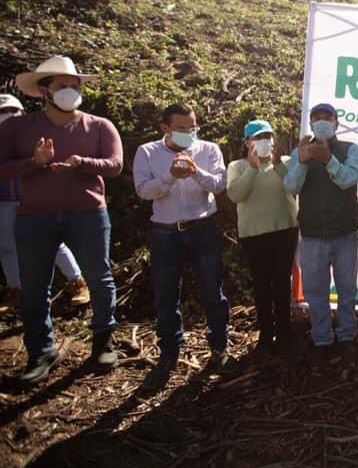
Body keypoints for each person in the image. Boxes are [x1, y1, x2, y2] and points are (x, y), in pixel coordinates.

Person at [0, 56, 122, 384]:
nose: (69, 91)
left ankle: (103, 341)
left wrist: (83, 163)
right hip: (33, 216)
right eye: (61, 86)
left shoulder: (99, 126)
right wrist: (33, 163)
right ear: (43, 90)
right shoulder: (16, 128)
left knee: (99, 277)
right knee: (34, 284)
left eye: (74, 86)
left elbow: (115, 164)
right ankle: (40, 350)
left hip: (89, 213)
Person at [133, 104, 230, 391]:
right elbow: (143, 190)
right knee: (165, 295)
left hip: (203, 229)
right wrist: (170, 176)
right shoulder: (147, 153)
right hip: (166, 232)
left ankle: (219, 348)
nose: (189, 133)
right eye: (182, 128)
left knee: (214, 291)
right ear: (165, 128)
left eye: (193, 127)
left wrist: (196, 171)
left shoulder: (208, 149)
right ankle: (169, 353)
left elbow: (219, 184)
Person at [284, 103, 358, 366]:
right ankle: (322, 340)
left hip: (344, 234)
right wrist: (304, 162)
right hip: (313, 235)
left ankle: (347, 337)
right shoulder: (299, 152)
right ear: (311, 124)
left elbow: (349, 179)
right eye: (316, 119)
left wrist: (329, 159)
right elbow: (291, 186)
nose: (322, 123)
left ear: (337, 123)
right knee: (316, 293)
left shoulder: (349, 149)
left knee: (347, 291)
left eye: (327, 119)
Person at [0, 94, 90, 310]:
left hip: (34, 197)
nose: (8, 116)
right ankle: (16, 289)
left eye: (12, 111)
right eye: (2, 112)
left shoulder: (32, 135)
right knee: (6, 245)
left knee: (53, 242)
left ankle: (77, 282)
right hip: (4, 200)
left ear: (21, 112)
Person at [226, 119, 298, 354]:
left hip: (284, 231)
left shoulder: (285, 162)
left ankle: (286, 334)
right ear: (247, 143)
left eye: (267, 137)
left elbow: (294, 187)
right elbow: (237, 194)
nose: (264, 141)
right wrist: (253, 167)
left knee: (281, 283)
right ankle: (266, 334)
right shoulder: (237, 166)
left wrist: (276, 163)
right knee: (261, 285)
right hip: (253, 236)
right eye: (257, 138)